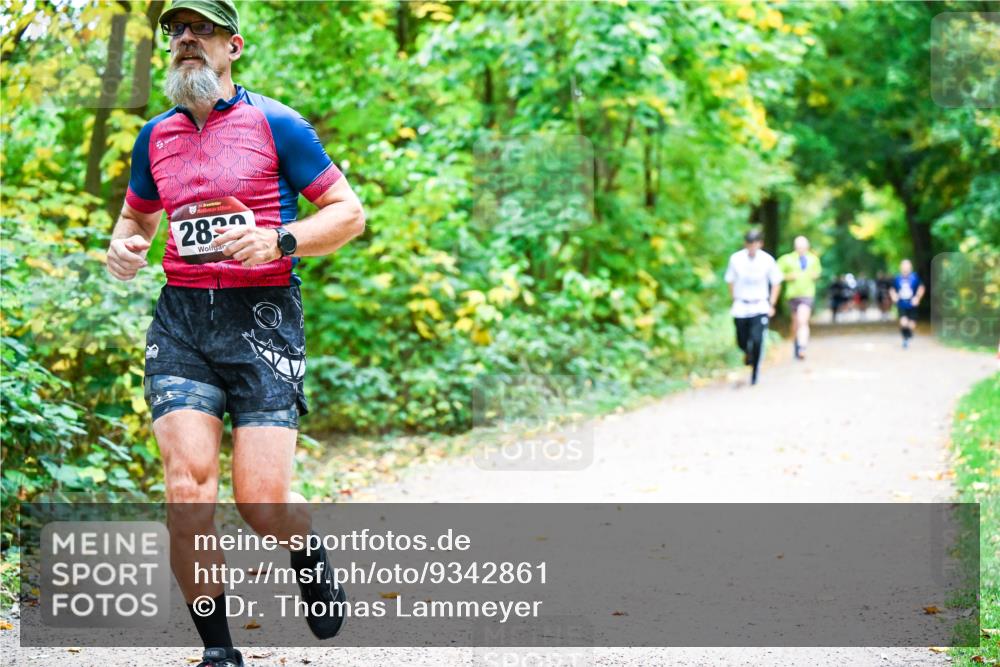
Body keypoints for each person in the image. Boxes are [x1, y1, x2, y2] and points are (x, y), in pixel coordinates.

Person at [104, 2, 366, 665]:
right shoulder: (154, 137)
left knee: (261, 504)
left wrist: (280, 238)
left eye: (203, 29)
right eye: (176, 30)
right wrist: (124, 246)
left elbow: (348, 214)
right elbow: (136, 220)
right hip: (183, 323)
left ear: (234, 46)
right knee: (187, 490)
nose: (186, 39)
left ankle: (306, 548)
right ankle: (219, 651)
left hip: (264, 320)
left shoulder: (277, 124)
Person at [725, 229, 782, 384]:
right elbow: (730, 280)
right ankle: (748, 353)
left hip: (760, 305)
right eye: (749, 244)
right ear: (745, 244)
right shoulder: (736, 259)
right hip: (741, 305)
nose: (752, 247)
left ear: (760, 244)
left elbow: (776, 281)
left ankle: (755, 371)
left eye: (755, 244)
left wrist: (772, 303)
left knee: (757, 339)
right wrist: (734, 298)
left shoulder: (767, 260)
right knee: (741, 340)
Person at [776, 236, 822, 360]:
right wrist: (788, 276)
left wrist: (814, 275)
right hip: (793, 295)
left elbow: (818, 273)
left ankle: (802, 347)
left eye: (803, 247)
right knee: (796, 323)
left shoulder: (813, 259)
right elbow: (776, 273)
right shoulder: (787, 259)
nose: (801, 249)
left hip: (807, 294)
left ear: (807, 247)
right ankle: (796, 343)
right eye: (799, 247)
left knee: (802, 320)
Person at [889, 259, 925, 349]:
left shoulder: (915, 277)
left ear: (910, 268)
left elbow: (921, 288)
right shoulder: (897, 278)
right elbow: (892, 289)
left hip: (912, 304)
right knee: (904, 322)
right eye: (904, 267)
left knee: (912, 324)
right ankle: (905, 339)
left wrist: (917, 297)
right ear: (901, 268)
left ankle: (908, 334)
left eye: (907, 267)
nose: (905, 269)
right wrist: (894, 296)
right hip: (902, 304)